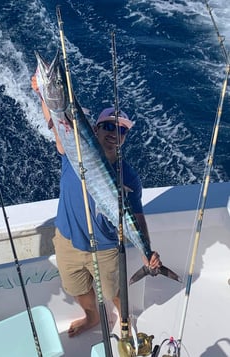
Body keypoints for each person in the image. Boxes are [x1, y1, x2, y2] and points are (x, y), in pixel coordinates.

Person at [31, 75, 162, 337]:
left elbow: (136, 215)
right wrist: (42, 94)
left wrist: (147, 251)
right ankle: (91, 317)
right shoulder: (74, 151)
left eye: (122, 130)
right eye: (109, 128)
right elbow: (58, 123)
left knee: (114, 291)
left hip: (105, 248)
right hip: (68, 242)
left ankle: (124, 322)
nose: (114, 134)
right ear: (96, 129)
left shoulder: (129, 176)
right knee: (77, 289)